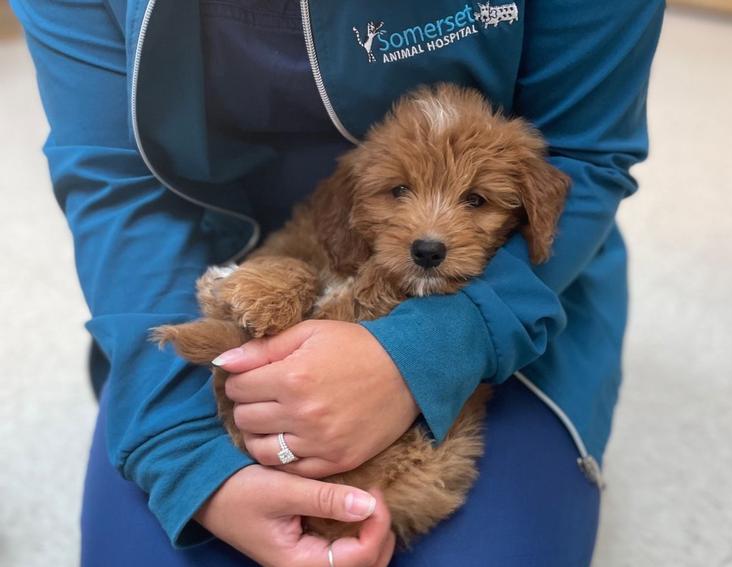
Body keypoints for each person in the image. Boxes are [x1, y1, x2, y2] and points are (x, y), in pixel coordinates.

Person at [13, 1, 664, 565]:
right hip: (219, 274)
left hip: (509, 286)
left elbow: (584, 153)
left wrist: (425, 352)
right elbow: (120, 180)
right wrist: (187, 452)